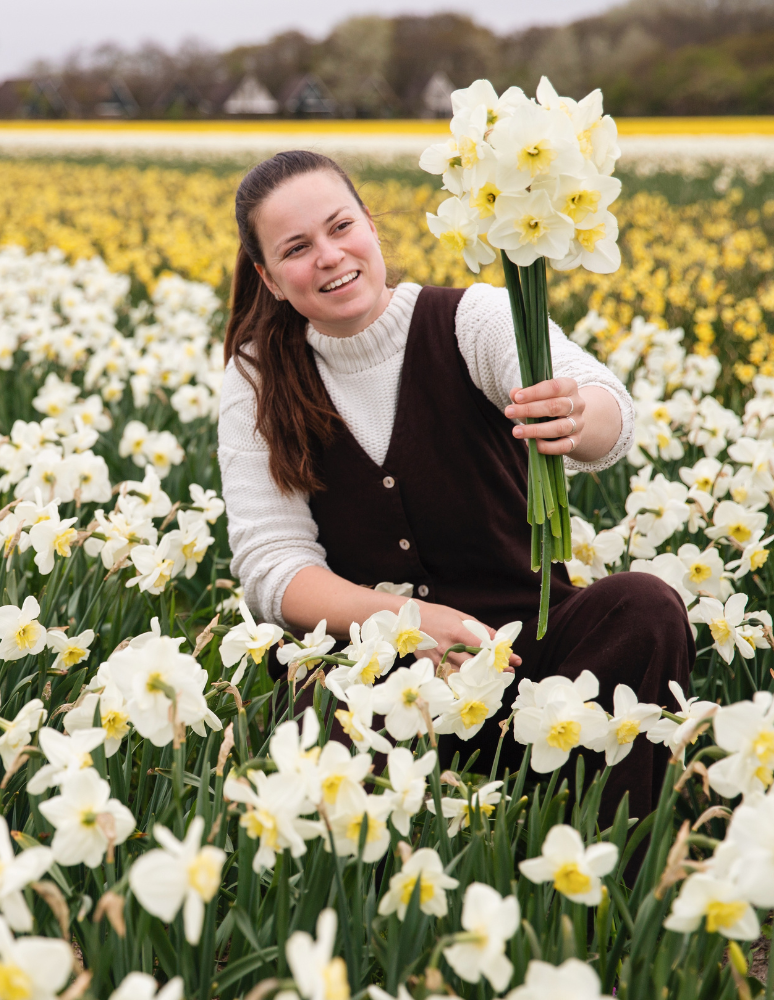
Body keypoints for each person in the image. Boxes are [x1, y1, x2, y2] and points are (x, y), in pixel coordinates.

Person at [219, 149, 693, 819]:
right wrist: (405, 624)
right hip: (378, 664)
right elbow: (272, 567)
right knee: (328, 708)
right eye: (297, 248)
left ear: (372, 229)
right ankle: (384, 898)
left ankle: (625, 852)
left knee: (644, 607)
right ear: (268, 278)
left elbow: (603, 409)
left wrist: (577, 416)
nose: (328, 255)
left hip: (527, 652)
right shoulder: (259, 378)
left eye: (341, 226)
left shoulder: (473, 319)